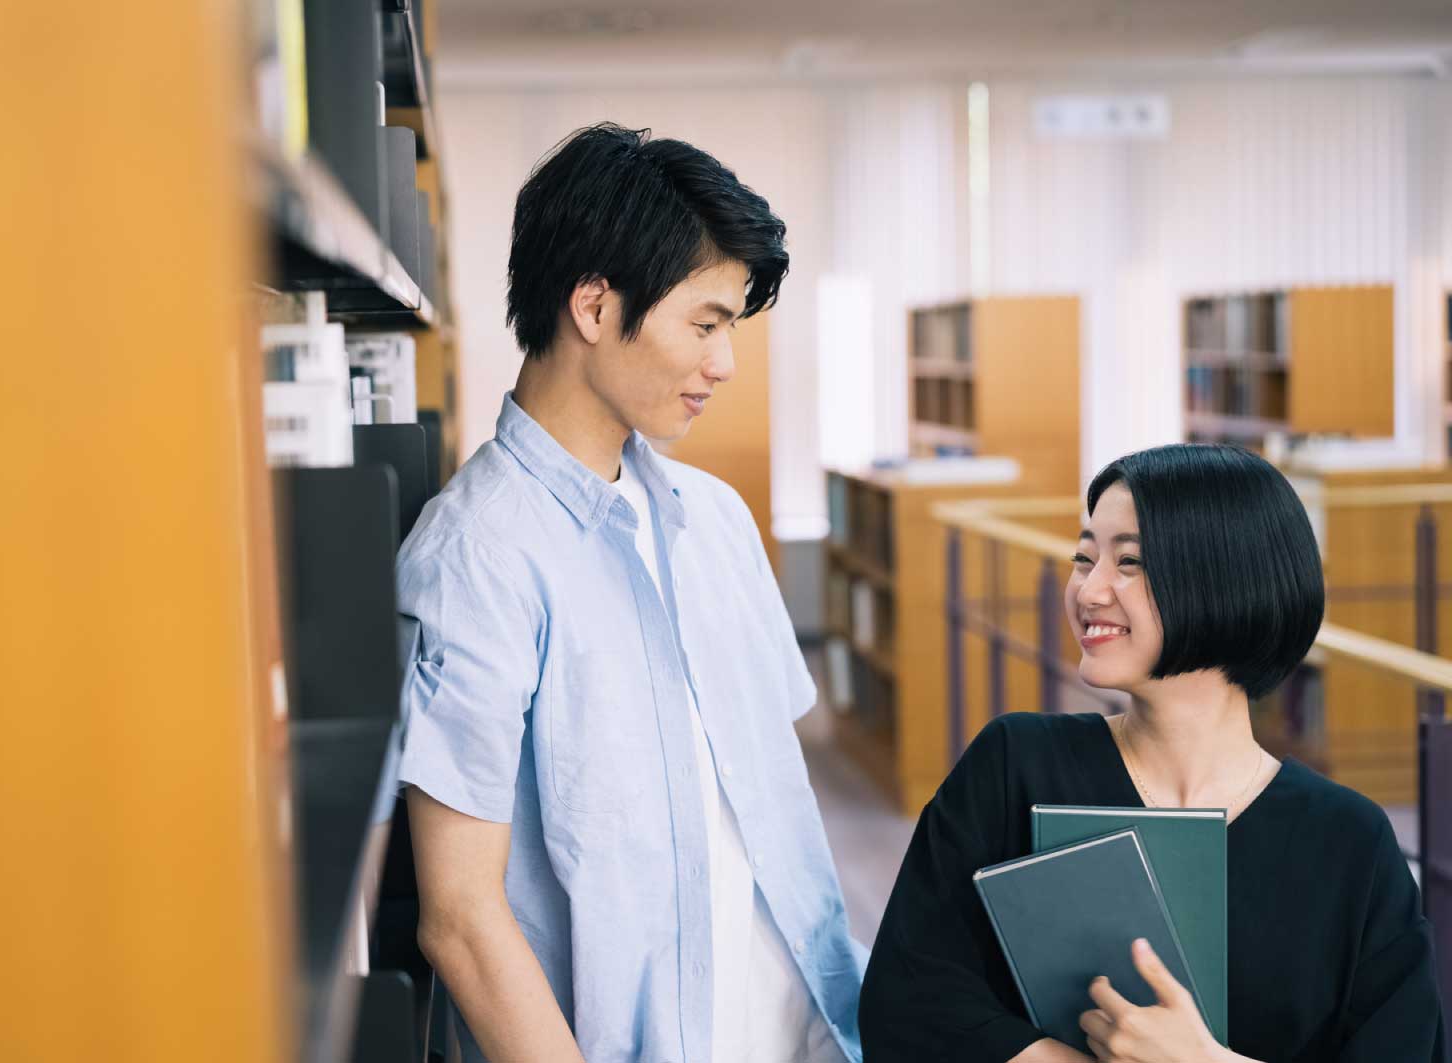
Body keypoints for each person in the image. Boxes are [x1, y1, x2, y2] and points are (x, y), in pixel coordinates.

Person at [395, 122, 865, 1063]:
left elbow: (770, 809)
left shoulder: (718, 519)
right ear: (596, 306)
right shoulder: (476, 553)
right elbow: (459, 918)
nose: (724, 364)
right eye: (705, 323)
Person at [859, 443, 1447, 1063]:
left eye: (1130, 562)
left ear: (1229, 576)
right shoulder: (1014, 765)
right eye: (1084, 558)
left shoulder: (1349, 841)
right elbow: (905, 1003)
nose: (1090, 590)